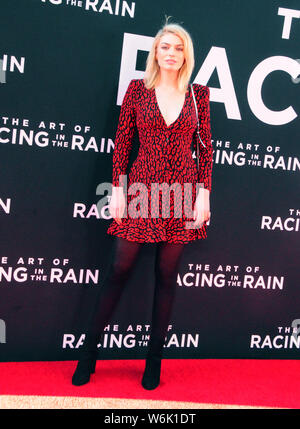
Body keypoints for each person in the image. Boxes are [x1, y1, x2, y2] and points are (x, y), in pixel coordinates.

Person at [72, 19, 213, 390]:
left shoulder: (199, 95)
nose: (171, 53)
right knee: (119, 269)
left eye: (178, 48)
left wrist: (204, 193)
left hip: (182, 191)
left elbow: (206, 152)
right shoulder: (137, 89)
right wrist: (117, 188)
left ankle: (154, 362)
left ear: (186, 55)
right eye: (165, 47)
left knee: (166, 277)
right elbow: (122, 144)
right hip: (141, 190)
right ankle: (88, 355)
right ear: (155, 52)